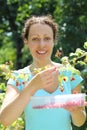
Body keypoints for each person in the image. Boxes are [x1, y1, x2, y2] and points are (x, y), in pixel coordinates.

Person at [0, 15, 86, 130]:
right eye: (35, 39)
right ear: (26, 41)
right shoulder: (18, 78)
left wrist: (75, 112)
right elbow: (5, 120)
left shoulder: (69, 74)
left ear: (54, 40)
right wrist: (32, 87)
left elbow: (80, 122)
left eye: (47, 38)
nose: (42, 45)